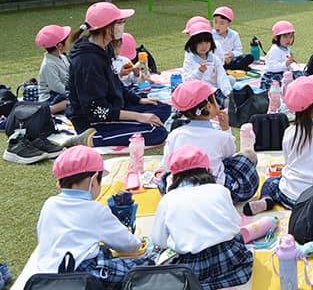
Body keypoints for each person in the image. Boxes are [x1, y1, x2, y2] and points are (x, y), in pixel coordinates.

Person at [36, 146, 151, 286]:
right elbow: (129, 245)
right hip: (81, 276)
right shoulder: (95, 210)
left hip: (45, 277)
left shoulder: (50, 204)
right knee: (145, 263)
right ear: (95, 178)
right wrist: (143, 244)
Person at [67, 2, 170, 147]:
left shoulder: (105, 47)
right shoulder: (88, 61)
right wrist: (139, 116)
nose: (123, 26)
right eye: (120, 22)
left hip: (114, 107)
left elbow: (115, 82)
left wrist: (138, 100)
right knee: (157, 132)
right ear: (107, 27)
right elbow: (97, 110)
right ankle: (89, 139)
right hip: (93, 119)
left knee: (163, 108)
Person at [150, 146, 253, 289]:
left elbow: (159, 240)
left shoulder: (168, 199)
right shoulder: (220, 191)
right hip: (230, 258)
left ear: (173, 177)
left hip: (191, 267)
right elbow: (235, 225)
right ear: (209, 171)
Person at [245, 75, 313, 212]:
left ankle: (266, 200)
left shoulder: (289, 132)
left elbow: (289, 162)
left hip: (290, 195)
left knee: (271, 182)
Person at [158, 80, 258, 203]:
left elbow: (167, 166)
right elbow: (230, 155)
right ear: (209, 106)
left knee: (165, 178)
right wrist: (226, 129)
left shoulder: (174, 135)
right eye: (215, 99)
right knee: (246, 158)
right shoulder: (220, 136)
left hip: (180, 190)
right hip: (214, 191)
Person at [182, 18, 232, 108]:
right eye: (199, 43)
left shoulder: (214, 59)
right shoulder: (190, 60)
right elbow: (188, 82)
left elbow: (222, 76)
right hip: (197, 92)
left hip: (213, 90)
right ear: (192, 43)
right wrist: (199, 72)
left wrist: (227, 92)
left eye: (207, 42)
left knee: (229, 94)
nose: (204, 46)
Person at [35, 24, 71, 114]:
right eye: (67, 40)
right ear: (59, 46)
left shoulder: (62, 57)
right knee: (69, 103)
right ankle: (45, 112)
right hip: (50, 97)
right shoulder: (48, 64)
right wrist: (71, 93)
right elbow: (55, 86)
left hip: (63, 92)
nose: (69, 42)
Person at [211, 6, 254, 71]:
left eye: (222, 23)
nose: (217, 26)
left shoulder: (234, 34)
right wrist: (222, 58)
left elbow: (239, 50)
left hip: (231, 59)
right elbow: (208, 52)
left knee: (249, 57)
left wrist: (232, 54)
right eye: (215, 22)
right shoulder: (210, 35)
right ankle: (236, 67)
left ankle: (234, 66)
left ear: (229, 23)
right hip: (217, 60)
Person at [261, 20, 302, 86]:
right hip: (271, 74)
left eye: (291, 37)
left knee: (299, 74)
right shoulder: (275, 50)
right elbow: (272, 67)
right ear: (276, 38)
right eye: (285, 37)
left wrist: (291, 63)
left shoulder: (286, 48)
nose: (288, 40)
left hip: (283, 72)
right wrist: (285, 64)